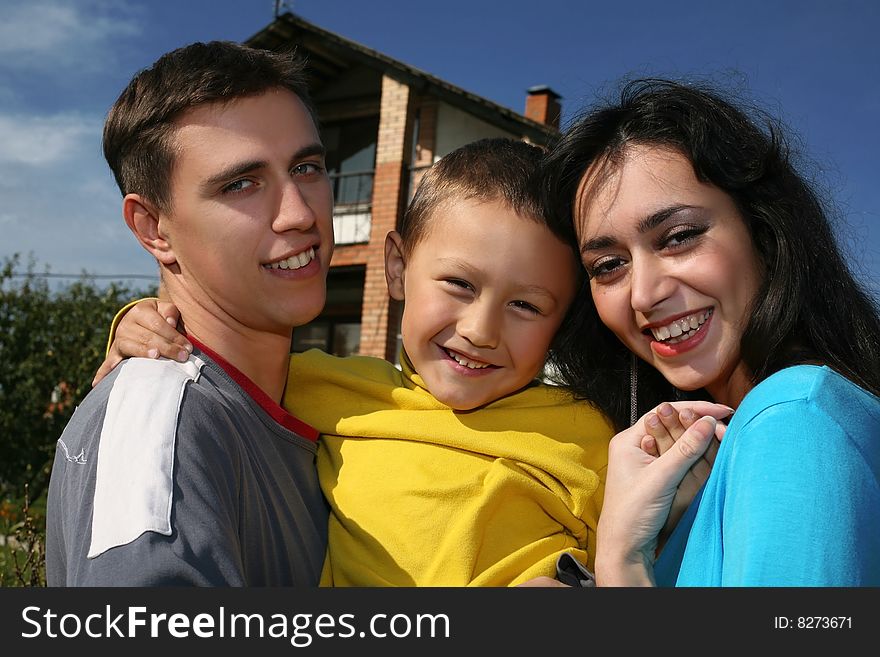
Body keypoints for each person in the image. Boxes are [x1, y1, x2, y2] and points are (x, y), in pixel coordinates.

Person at [95, 137, 732, 586]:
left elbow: (637, 550)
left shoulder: (591, 433)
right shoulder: (325, 385)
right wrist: (134, 325)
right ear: (398, 268)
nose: (480, 331)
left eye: (526, 306)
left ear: (563, 319)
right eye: (458, 285)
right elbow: (209, 366)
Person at [543, 78, 880, 586]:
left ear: (764, 231)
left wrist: (622, 562)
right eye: (609, 265)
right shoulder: (725, 452)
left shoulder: (792, 419)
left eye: (678, 237)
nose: (643, 294)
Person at [45, 41, 334, 586]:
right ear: (153, 228)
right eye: (241, 184)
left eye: (308, 167)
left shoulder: (317, 397)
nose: (299, 213)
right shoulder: (161, 427)